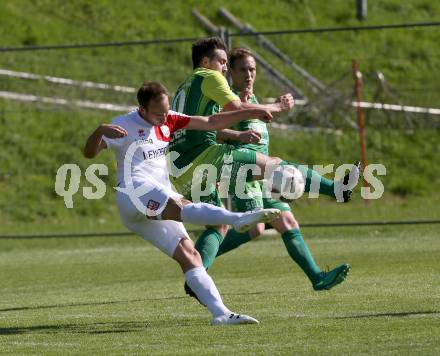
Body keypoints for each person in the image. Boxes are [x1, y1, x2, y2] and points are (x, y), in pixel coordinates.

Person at [83, 81, 283, 325]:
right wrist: (100, 131)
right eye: (158, 112)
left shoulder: (169, 119)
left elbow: (211, 123)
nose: (164, 116)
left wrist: (252, 111)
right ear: (142, 109)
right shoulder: (123, 125)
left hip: (156, 195)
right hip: (134, 193)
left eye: (166, 110)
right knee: (180, 206)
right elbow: (89, 153)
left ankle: (221, 313)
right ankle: (236, 219)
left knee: (190, 254)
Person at [169, 37, 360, 277]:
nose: (229, 69)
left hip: (186, 167)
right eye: (226, 63)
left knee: (235, 225)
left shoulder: (188, 86)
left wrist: (253, 116)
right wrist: (270, 111)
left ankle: (197, 274)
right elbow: (221, 119)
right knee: (274, 174)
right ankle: (335, 190)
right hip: (219, 164)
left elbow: (205, 121)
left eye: (252, 69)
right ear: (206, 62)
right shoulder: (213, 83)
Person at [216, 47, 352, 291]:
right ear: (231, 74)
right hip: (240, 174)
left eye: (252, 69)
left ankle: (317, 278)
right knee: (259, 215)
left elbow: (254, 116)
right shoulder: (227, 101)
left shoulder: (252, 100)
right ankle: (335, 189)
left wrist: (272, 106)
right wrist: (238, 134)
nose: (248, 74)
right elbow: (213, 131)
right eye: (243, 70)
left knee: (280, 222)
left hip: (260, 176)